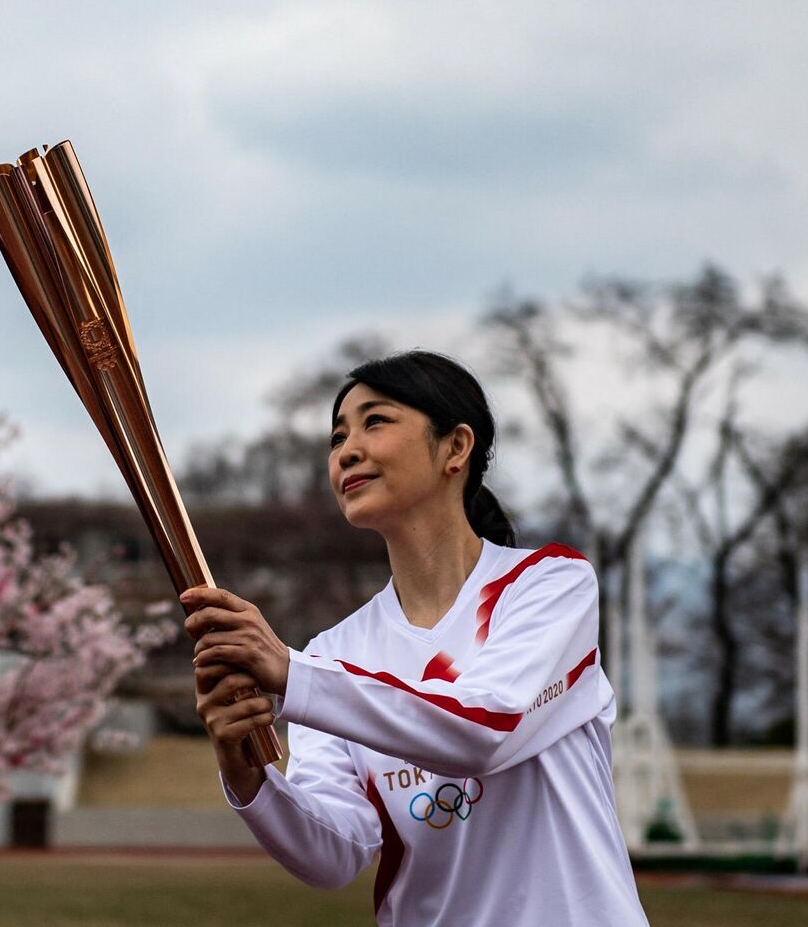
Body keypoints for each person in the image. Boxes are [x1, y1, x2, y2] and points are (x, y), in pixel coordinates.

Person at [181, 351, 648, 926]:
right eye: (336, 437)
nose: (346, 450)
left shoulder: (547, 586)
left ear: (455, 447)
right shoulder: (334, 654)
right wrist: (246, 770)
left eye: (375, 422)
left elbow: (483, 728)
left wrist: (291, 674)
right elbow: (334, 854)